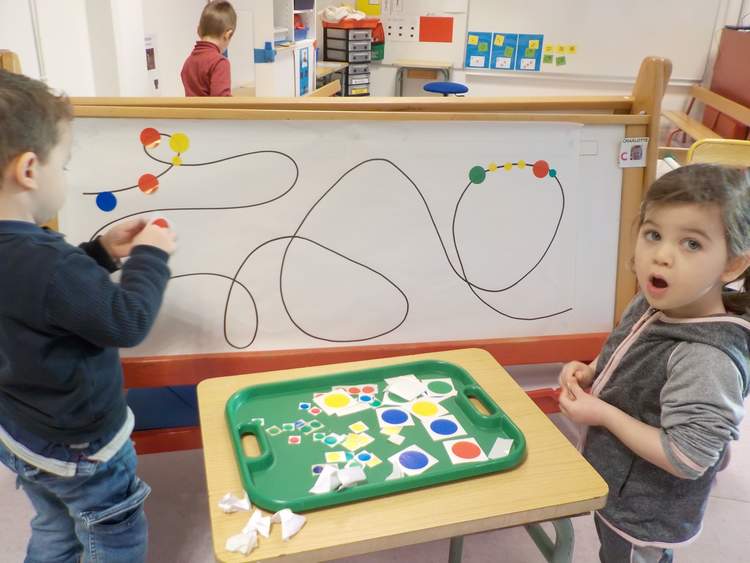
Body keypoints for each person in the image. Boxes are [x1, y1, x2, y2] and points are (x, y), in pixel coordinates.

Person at [0, 69, 176, 562]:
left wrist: (97, 253)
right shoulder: (52, 264)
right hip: (83, 445)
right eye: (64, 164)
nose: (65, 176)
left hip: (21, 431)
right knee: (114, 531)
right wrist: (151, 256)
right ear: (29, 170)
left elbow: (35, 299)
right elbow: (126, 320)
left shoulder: (38, 262)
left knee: (55, 524)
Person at [558, 164, 750, 563]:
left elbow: (688, 458)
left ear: (732, 265)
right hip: (620, 485)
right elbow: (630, 346)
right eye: (653, 235)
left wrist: (602, 414)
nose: (661, 256)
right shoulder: (656, 301)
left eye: (691, 244)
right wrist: (593, 369)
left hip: (646, 513)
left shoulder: (706, 360)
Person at [181, 0, 237, 97]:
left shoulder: (188, 62)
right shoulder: (219, 63)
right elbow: (222, 101)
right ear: (228, 35)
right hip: (213, 108)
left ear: (198, 31)